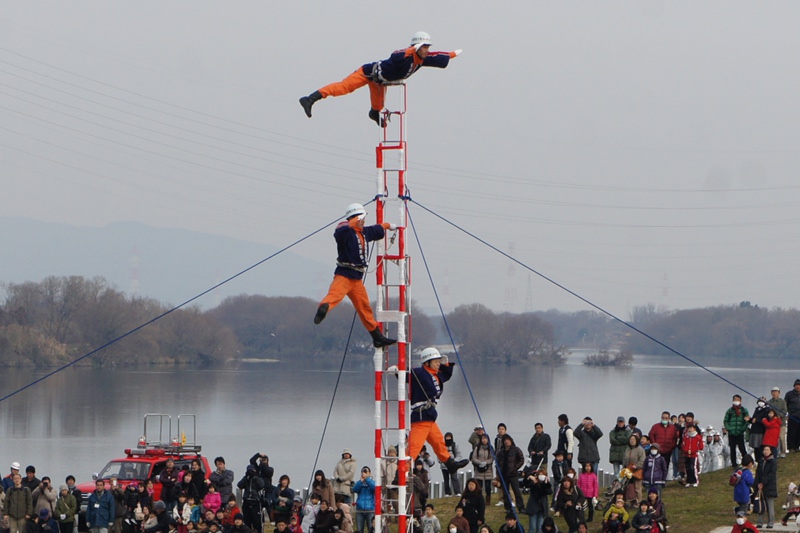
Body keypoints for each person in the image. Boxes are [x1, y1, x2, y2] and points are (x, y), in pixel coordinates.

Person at [298, 32, 461, 126]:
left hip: (380, 82)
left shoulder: (422, 60)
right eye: (423, 47)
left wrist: (453, 54)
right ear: (415, 48)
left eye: (427, 47)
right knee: (344, 87)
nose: (426, 50)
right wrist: (411, 50)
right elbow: (395, 55)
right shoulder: (403, 56)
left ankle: (374, 113)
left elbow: (437, 56)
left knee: (378, 106)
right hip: (368, 73)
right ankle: (310, 99)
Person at [313, 202, 397, 348]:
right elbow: (340, 229)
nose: (363, 222)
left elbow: (376, 229)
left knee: (365, 308)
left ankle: (377, 337)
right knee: (334, 295)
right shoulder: (345, 232)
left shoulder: (364, 232)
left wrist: (388, 225)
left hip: (357, 279)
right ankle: (323, 309)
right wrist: (355, 220)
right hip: (344, 275)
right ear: (354, 218)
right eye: (361, 219)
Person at [406, 348, 463, 473]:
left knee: (439, 442)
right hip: (420, 417)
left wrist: (446, 365)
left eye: (439, 361)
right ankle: (400, 473)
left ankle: (449, 463)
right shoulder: (419, 373)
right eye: (436, 361)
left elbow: (446, 375)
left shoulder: (436, 375)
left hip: (429, 417)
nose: (438, 364)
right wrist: (397, 369)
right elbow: (406, 375)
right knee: (414, 448)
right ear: (427, 362)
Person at [496, 434, 525, 512]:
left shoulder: (516, 450)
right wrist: (498, 474)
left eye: (508, 440)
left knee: (517, 491)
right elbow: (497, 463)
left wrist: (515, 468)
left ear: (511, 441)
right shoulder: (501, 452)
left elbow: (521, 460)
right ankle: (508, 508)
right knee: (505, 492)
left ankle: (521, 508)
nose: (506, 442)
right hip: (503, 474)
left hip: (513, 474)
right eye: (505, 440)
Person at [522, 469, 552, 533]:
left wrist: (546, 483)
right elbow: (525, 484)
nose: (541, 476)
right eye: (540, 474)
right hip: (533, 507)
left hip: (542, 507)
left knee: (540, 527)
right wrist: (529, 477)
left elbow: (549, 492)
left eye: (543, 475)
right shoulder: (533, 483)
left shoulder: (546, 484)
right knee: (532, 526)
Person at [755, 446, 777, 529]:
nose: (766, 451)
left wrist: (763, 482)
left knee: (770, 505)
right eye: (764, 450)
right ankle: (760, 522)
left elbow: (771, 474)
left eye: (767, 450)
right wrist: (758, 483)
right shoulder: (761, 461)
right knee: (761, 504)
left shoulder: (773, 461)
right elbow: (758, 473)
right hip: (761, 487)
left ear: (770, 451)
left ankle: (771, 522)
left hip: (769, 486)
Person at [237, 465, 265, 531]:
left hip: (255, 502)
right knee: (247, 522)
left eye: (252, 470)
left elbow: (262, 485)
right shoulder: (246, 479)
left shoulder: (258, 478)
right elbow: (239, 485)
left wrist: (255, 476)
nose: (250, 472)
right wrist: (246, 477)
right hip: (246, 502)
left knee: (257, 523)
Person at [469, 434, 494, 506]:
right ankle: (479, 500)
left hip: (488, 470)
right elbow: (474, 458)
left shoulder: (490, 448)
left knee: (488, 487)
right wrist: (479, 462)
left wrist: (486, 462)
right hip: (479, 470)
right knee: (479, 487)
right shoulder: (477, 448)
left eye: (485, 438)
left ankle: (488, 501)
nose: (484, 440)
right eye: (483, 438)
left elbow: (492, 458)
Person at [623, 435, 645, 505]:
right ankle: (630, 502)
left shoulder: (640, 450)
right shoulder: (627, 449)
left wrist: (637, 466)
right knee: (628, 487)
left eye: (633, 440)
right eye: (631, 439)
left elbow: (642, 460)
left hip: (637, 471)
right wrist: (624, 468)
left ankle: (638, 503)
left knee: (637, 488)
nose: (632, 441)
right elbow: (624, 459)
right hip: (628, 471)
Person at [351, 467, 375, 533]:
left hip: (370, 509)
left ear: (369, 473)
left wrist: (367, 479)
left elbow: (374, 488)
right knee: (359, 530)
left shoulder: (372, 482)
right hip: (360, 509)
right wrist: (360, 482)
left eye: (365, 471)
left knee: (371, 528)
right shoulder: (359, 482)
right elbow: (355, 489)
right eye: (362, 471)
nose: (363, 473)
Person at [767, 387, 788, 457]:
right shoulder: (769, 402)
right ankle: (773, 452)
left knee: (781, 437)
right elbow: (767, 411)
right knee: (773, 438)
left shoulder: (783, 402)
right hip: (772, 424)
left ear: (779, 393)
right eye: (773, 392)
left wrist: (779, 416)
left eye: (776, 392)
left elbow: (785, 411)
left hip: (781, 423)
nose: (774, 393)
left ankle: (783, 452)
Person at [680, 423, 703, 487]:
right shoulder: (686, 437)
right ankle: (689, 481)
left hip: (694, 455)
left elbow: (701, 446)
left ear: (694, 429)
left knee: (693, 467)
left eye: (691, 428)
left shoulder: (698, 437)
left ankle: (695, 481)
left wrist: (694, 450)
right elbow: (683, 445)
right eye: (689, 428)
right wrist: (686, 450)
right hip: (686, 455)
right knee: (687, 468)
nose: (690, 429)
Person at [749, 398, 771, 463]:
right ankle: (757, 460)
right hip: (754, 430)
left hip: (761, 431)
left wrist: (757, 420)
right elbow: (754, 419)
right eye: (759, 401)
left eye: (762, 401)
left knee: (760, 447)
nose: (760, 402)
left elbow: (765, 421)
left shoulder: (767, 410)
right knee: (755, 448)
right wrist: (750, 420)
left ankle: (762, 460)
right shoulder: (757, 409)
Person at [786, 379, 800, 453]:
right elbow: (785, 405)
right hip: (792, 416)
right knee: (791, 432)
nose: (798, 386)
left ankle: (797, 447)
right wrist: (787, 414)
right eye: (796, 385)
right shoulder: (789, 394)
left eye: (799, 385)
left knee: (798, 432)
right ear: (794, 386)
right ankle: (791, 447)